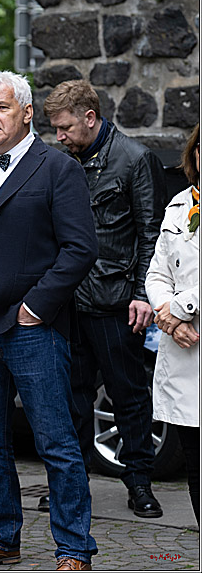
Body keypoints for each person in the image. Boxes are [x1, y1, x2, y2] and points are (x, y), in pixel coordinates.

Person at [0, 71, 98, 572]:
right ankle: (0, 536)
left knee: (55, 442)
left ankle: (74, 549)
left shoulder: (57, 168)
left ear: (26, 113)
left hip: (33, 329)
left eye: (2, 108)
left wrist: (36, 306)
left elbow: (80, 248)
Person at [45, 79, 166, 517]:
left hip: (117, 302)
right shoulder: (61, 162)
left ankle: (139, 484)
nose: (58, 136)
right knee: (69, 398)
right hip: (67, 302)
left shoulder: (136, 160)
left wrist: (142, 295)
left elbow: (152, 236)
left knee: (129, 395)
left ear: (90, 118)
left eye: (64, 127)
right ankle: (71, 488)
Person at [145, 123, 200, 523]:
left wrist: (181, 308)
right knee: (195, 459)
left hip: (189, 325)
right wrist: (168, 314)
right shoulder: (181, 204)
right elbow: (156, 275)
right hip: (184, 353)